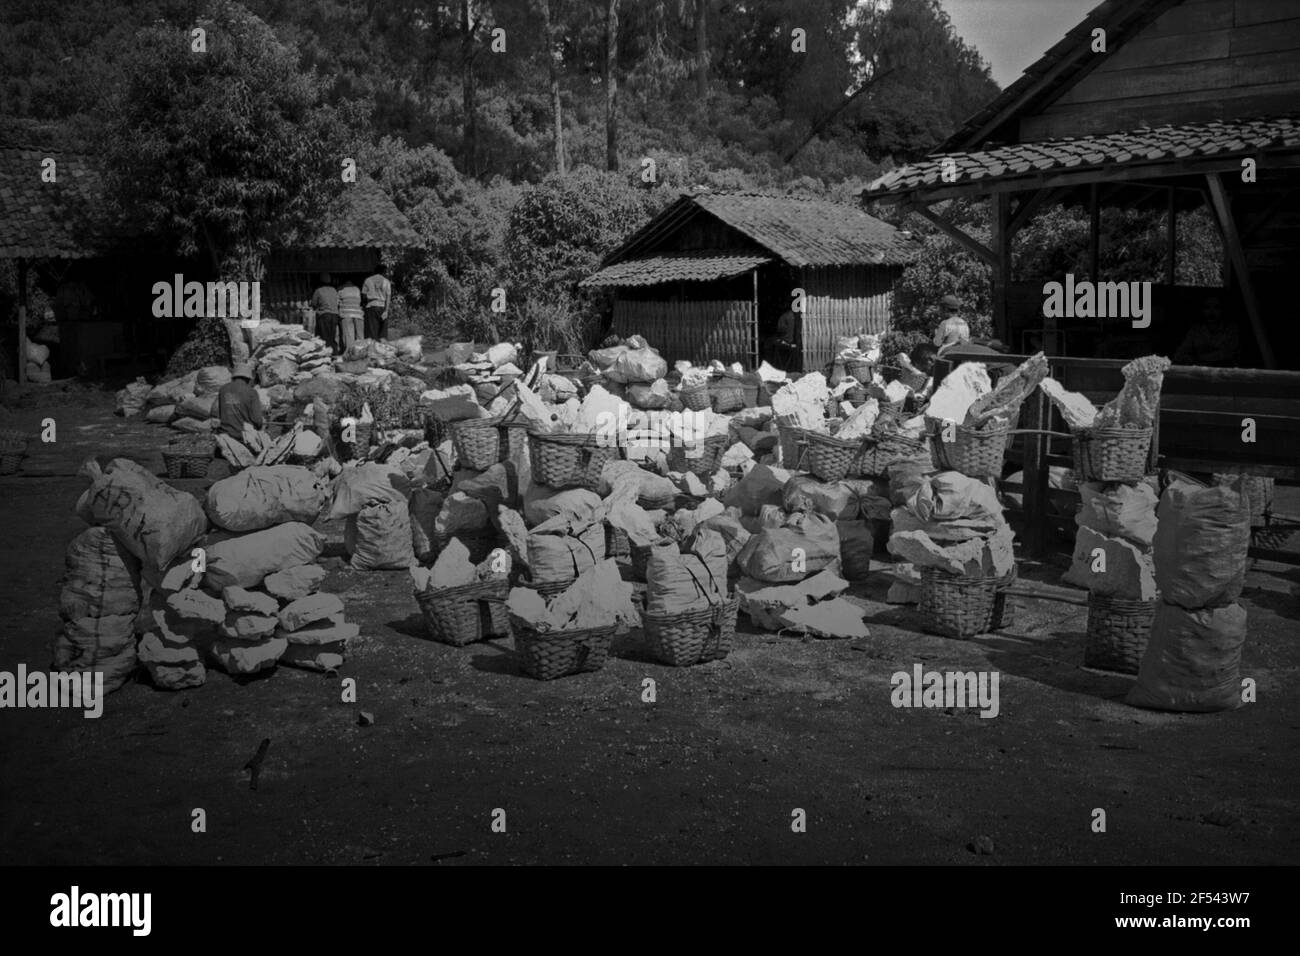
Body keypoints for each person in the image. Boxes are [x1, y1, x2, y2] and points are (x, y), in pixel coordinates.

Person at [1174, 295, 1239, 366]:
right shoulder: (1195, 330)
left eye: (1216, 307)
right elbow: (1180, 353)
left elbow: (1228, 353)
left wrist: (1199, 358)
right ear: (1202, 310)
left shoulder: (1231, 330)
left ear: (1222, 309)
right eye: (1207, 307)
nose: (1211, 312)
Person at [217, 362, 264, 440]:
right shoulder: (251, 392)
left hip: (224, 434)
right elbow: (258, 421)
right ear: (248, 378)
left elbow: (219, 414)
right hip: (243, 436)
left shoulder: (223, 389)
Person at [310, 273, 341, 354]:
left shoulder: (318, 290)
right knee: (332, 335)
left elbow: (314, 303)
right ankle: (334, 352)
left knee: (324, 336)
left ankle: (327, 353)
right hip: (334, 315)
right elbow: (337, 302)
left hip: (324, 315)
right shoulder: (334, 290)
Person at [361, 263, 392, 342]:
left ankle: (373, 350)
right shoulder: (386, 281)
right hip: (382, 307)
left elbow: (364, 295)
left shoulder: (368, 280)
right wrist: (386, 311)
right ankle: (383, 349)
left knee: (372, 332)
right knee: (383, 332)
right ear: (384, 271)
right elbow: (388, 297)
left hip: (371, 307)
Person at [337, 277, 364, 351]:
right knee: (359, 336)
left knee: (349, 336)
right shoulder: (357, 289)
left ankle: (350, 353)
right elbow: (359, 301)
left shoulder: (340, 289)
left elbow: (337, 303)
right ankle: (360, 353)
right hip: (358, 314)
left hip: (346, 314)